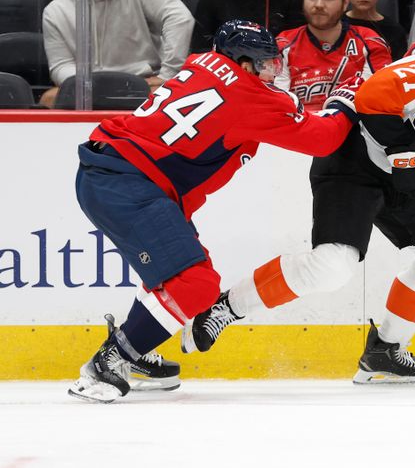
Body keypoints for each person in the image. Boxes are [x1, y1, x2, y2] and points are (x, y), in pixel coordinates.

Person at [181, 16, 415, 385]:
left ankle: (384, 350)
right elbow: (374, 96)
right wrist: (405, 151)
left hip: (401, 179)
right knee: (333, 266)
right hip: (354, 156)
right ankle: (224, 309)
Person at [68, 20, 357, 403]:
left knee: (180, 273)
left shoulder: (202, 63)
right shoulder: (252, 94)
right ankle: (112, 360)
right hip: (131, 183)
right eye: (266, 63)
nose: (274, 71)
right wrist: (345, 104)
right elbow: (323, 139)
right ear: (243, 62)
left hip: (113, 172)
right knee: (195, 284)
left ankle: (134, 350)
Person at [41, 0, 194, 108]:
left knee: (166, 92)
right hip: (89, 89)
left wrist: (168, 74)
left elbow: (180, 18)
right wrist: (96, 86)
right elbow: (60, 66)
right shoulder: (55, 11)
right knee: (49, 98)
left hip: (142, 84)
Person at [274, 0, 392, 107]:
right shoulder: (283, 43)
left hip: (352, 126)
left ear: (345, 2)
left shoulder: (369, 42)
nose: (318, 4)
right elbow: (277, 104)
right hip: (300, 125)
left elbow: (375, 102)